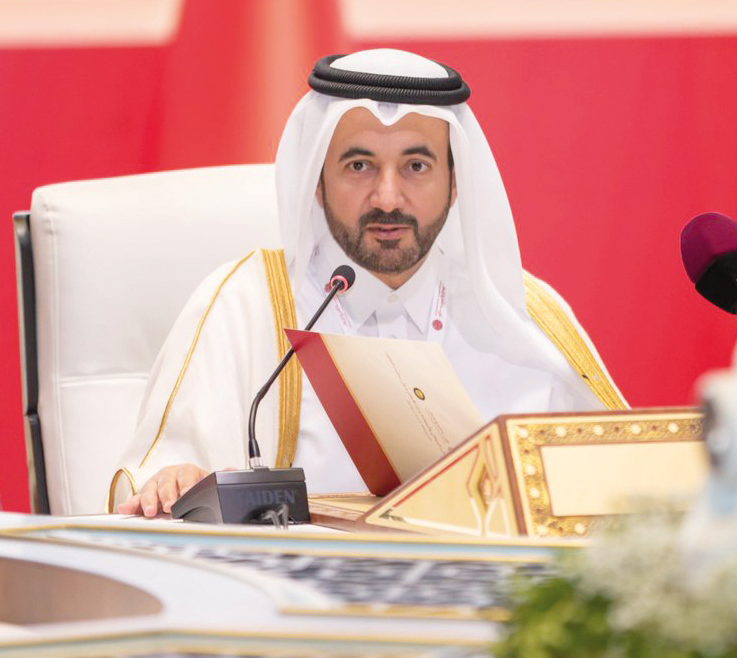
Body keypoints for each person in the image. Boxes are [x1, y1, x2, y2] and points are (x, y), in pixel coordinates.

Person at [111, 48, 627, 516]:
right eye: (359, 165)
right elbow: (162, 483)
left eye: (416, 166)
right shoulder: (245, 305)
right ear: (316, 181)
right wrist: (175, 484)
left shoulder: (523, 320)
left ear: (454, 183)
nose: (387, 197)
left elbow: (613, 500)